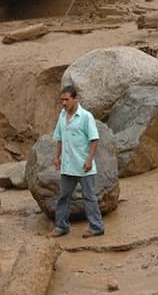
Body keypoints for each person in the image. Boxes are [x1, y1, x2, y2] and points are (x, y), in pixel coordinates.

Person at [48, 86, 105, 238]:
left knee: (89, 197)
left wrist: (89, 160)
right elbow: (59, 138)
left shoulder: (86, 116)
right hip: (67, 165)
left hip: (83, 166)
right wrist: (56, 157)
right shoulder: (62, 116)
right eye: (62, 100)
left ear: (75, 99)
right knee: (63, 197)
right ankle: (61, 226)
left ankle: (96, 226)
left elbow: (94, 139)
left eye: (67, 100)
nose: (64, 103)